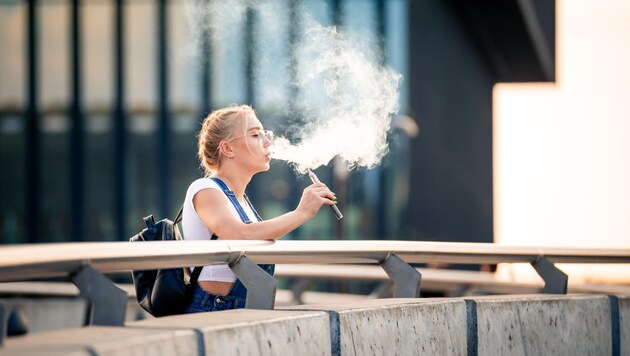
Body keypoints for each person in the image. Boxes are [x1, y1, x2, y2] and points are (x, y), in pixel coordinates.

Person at [182, 104, 336, 313]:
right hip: (213, 310)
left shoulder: (242, 202)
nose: (267, 142)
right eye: (255, 135)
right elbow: (239, 234)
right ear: (227, 148)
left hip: (245, 308)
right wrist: (302, 213)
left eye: (265, 134)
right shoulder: (204, 188)